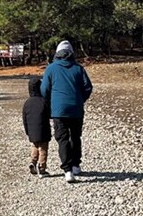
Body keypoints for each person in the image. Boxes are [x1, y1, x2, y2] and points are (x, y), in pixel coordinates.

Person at [40, 40, 93, 183]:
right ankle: (76, 165)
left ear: (57, 53)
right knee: (75, 137)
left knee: (62, 139)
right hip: (76, 109)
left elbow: (44, 90)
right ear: (71, 53)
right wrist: (80, 99)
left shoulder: (51, 69)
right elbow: (88, 87)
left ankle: (67, 170)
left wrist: (51, 102)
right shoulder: (79, 68)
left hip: (59, 110)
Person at [22, 77, 51, 178]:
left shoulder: (27, 103)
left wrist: (28, 131)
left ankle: (33, 162)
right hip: (43, 130)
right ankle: (41, 168)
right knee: (43, 149)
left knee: (34, 146)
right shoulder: (43, 101)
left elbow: (24, 119)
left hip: (32, 131)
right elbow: (49, 114)